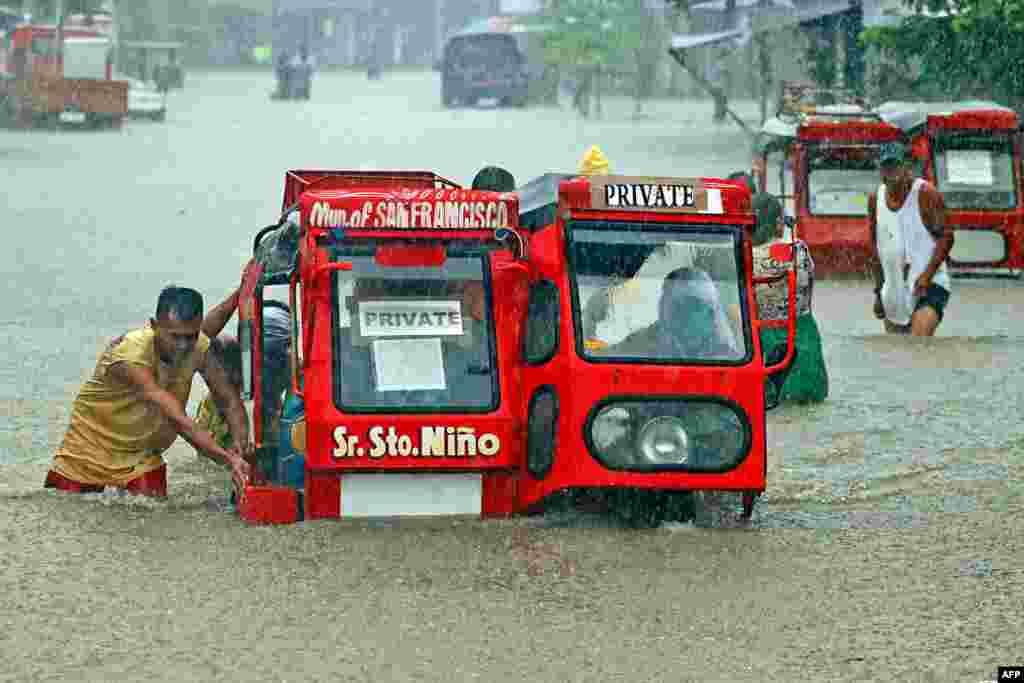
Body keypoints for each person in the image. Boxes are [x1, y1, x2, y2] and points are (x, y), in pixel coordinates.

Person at [44, 286, 252, 498]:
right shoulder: (131, 355)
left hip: (141, 457)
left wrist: (239, 448)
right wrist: (227, 460)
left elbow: (230, 401)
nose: (183, 346)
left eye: (191, 336)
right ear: (154, 326)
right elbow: (175, 417)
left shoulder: (198, 348)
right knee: (66, 511)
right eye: (175, 337)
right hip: (87, 450)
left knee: (155, 515)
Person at [194, 301, 292, 480]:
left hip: (262, 428)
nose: (266, 366)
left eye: (275, 357)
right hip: (220, 423)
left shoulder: (291, 366)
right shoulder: (229, 354)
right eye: (262, 356)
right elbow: (200, 338)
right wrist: (238, 295)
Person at [868, 141, 954, 336]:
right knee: (898, 354)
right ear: (880, 170)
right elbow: (875, 248)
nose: (891, 172)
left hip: (929, 285)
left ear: (907, 167)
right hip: (894, 289)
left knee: (918, 343)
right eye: (886, 166)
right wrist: (878, 293)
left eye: (896, 166)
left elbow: (947, 237)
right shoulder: (875, 199)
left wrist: (927, 275)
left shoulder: (925, 193)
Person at [751, 192, 829, 403]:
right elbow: (807, 294)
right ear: (778, 223)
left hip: (762, 346)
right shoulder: (797, 250)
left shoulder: (742, 254)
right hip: (802, 339)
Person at [605, 267, 740, 360]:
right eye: (671, 302)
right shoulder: (642, 342)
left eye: (691, 304)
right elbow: (604, 360)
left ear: (710, 313)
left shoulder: (728, 357)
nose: (681, 312)